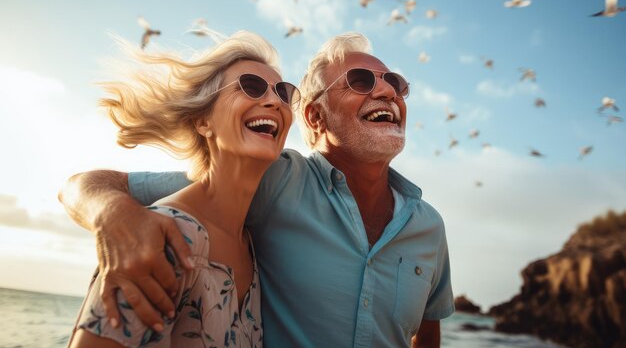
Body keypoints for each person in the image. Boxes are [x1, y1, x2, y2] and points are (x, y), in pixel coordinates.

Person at [61, 32, 454, 348]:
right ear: (315, 116)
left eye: (397, 83)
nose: (388, 92)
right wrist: (115, 216)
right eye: (361, 81)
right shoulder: (272, 181)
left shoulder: (429, 228)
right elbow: (94, 184)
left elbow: (426, 334)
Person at [66, 30, 301, 348]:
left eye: (284, 93)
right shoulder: (166, 237)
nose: (274, 101)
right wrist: (110, 209)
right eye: (251, 86)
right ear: (203, 121)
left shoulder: (252, 245)